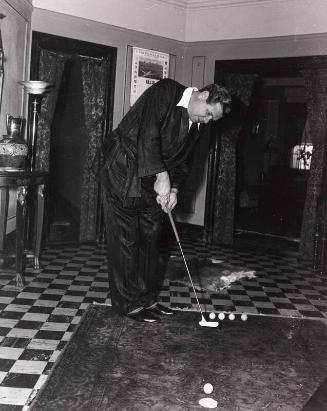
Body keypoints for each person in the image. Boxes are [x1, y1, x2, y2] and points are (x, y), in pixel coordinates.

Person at [100, 78, 231, 322]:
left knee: (151, 236)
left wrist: (174, 190)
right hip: (123, 169)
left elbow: (185, 161)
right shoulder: (166, 91)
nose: (208, 120)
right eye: (209, 114)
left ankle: (147, 299)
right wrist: (161, 176)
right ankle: (127, 304)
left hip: (153, 177)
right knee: (126, 239)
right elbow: (148, 135)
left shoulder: (196, 126)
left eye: (213, 119)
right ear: (203, 95)